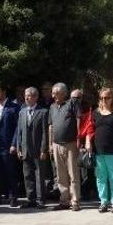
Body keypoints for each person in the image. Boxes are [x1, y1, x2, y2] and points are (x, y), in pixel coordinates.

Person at [89, 87, 113, 213]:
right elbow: (90, 130)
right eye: (102, 98)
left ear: (112, 98)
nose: (104, 100)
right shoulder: (95, 113)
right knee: (100, 177)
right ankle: (103, 202)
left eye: (107, 97)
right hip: (98, 150)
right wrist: (88, 142)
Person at [12, 86, 49, 209]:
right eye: (26, 96)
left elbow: (45, 133)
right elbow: (19, 132)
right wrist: (19, 148)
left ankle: (40, 200)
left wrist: (43, 149)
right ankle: (30, 199)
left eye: (29, 96)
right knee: (27, 175)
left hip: (38, 150)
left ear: (36, 97)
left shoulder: (43, 112)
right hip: (25, 149)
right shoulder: (22, 112)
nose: (27, 98)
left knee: (39, 175)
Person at [47, 82, 81, 210]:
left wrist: (79, 138)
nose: (53, 96)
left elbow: (78, 119)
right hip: (56, 144)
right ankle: (64, 200)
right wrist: (50, 144)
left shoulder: (72, 103)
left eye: (56, 93)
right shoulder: (52, 107)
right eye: (53, 93)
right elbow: (50, 126)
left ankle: (75, 200)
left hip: (70, 143)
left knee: (73, 173)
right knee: (60, 175)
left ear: (64, 94)